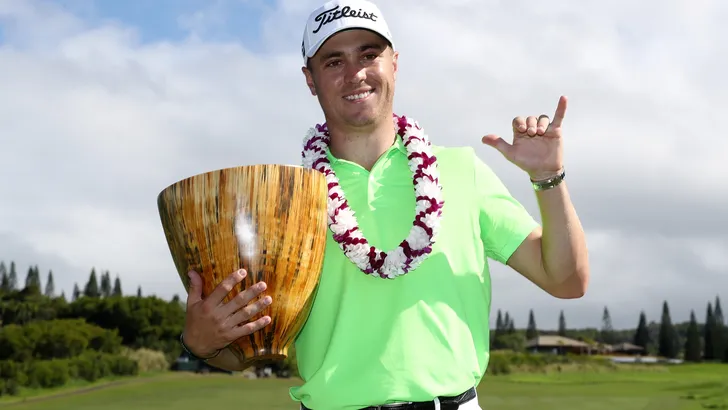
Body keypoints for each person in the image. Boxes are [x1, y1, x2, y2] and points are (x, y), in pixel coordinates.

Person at [180, 0, 590, 409]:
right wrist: (201, 343)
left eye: (369, 55)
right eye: (334, 61)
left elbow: (567, 281)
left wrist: (547, 178)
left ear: (395, 62)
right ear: (310, 79)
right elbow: (249, 348)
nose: (355, 73)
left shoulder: (461, 170)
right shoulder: (285, 198)